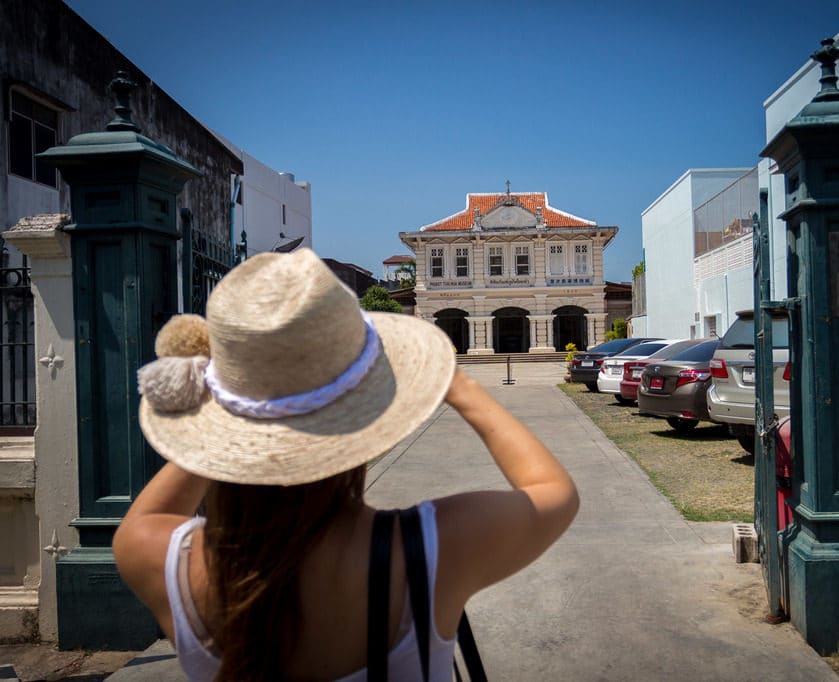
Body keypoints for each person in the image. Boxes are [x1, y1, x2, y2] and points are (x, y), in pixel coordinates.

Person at [113, 248, 579, 681]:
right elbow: (553, 491)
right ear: (361, 421)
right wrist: (459, 385)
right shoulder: (431, 551)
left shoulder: (153, 557)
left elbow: (155, 512)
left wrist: (230, 407)